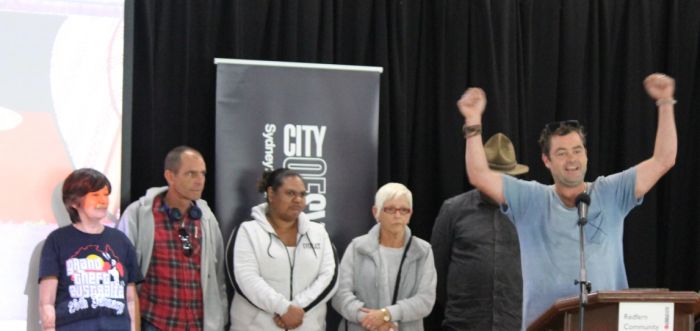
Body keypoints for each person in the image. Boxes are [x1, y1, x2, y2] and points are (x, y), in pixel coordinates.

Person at [456, 73, 677, 328]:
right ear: (546, 161)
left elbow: (664, 159)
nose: (571, 159)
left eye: (577, 150)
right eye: (561, 153)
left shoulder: (611, 192)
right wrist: (473, 121)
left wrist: (665, 102)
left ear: (586, 154)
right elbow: (479, 175)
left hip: (607, 323)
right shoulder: (531, 198)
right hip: (547, 325)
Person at [117, 146, 228, 331]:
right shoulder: (139, 214)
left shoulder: (206, 218)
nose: (200, 181)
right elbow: (122, 271)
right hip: (154, 321)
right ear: (170, 176)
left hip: (197, 324)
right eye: (191, 174)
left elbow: (217, 276)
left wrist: (220, 317)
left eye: (203, 174)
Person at [431, 133, 526, 331]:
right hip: (462, 324)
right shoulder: (453, 210)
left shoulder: (528, 213)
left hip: (514, 324)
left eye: (506, 176)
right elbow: (436, 271)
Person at [228, 168, 337, 330]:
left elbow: (329, 276)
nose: (298, 200)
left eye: (302, 194)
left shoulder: (318, 232)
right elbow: (245, 279)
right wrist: (282, 308)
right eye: (290, 193)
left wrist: (297, 309)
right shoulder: (247, 231)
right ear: (271, 194)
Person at [38, 168, 142, 331]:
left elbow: (130, 298)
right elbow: (47, 301)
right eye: (95, 195)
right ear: (73, 202)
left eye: (106, 194)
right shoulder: (57, 241)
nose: (103, 201)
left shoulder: (121, 240)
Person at [333, 183, 437, 331]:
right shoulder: (358, 247)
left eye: (404, 210)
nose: (397, 215)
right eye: (390, 209)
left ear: (410, 214)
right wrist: (371, 320)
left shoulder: (423, 251)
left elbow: (425, 300)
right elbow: (340, 296)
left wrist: (386, 314)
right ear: (376, 212)